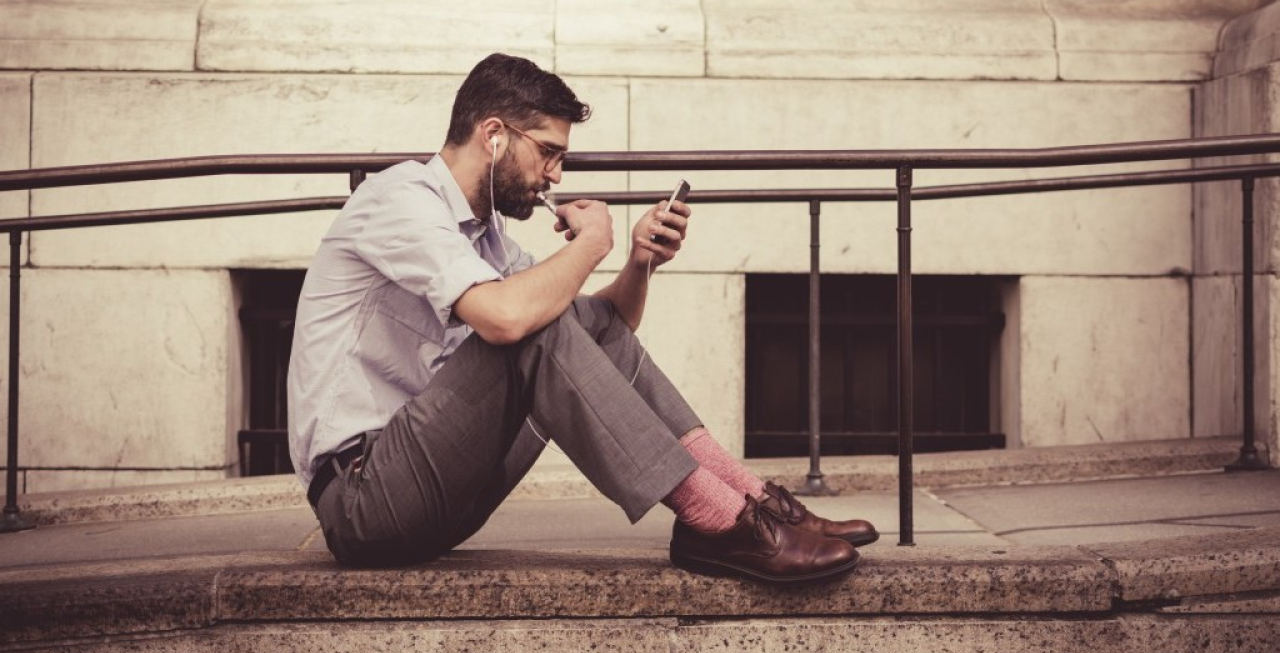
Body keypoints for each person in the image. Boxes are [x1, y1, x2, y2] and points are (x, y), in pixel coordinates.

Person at [287, 53, 878, 584]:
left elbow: (600, 328)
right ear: (493, 135)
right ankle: (718, 521)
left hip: (442, 493)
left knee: (560, 317)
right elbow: (506, 320)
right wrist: (591, 244)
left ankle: (753, 503)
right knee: (528, 323)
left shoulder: (487, 238)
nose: (556, 175)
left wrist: (640, 261)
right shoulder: (399, 200)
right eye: (548, 151)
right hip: (364, 498)